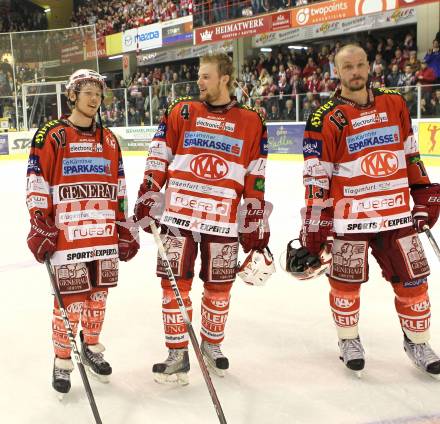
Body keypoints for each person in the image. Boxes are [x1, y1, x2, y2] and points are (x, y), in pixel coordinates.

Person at [290, 45, 440, 377]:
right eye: (348, 67)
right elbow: (317, 177)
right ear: (336, 71)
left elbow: (409, 152)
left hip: (396, 215)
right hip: (349, 219)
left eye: (360, 65)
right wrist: (317, 224)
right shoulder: (324, 117)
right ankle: (349, 340)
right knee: (345, 285)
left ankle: (417, 342)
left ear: (369, 66)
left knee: (414, 282)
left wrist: (424, 190)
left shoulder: (395, 103)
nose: (355, 72)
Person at [134, 52, 271, 385]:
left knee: (219, 288)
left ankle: (211, 344)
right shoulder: (182, 111)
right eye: (199, 76)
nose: (199, 82)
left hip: (223, 219)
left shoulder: (251, 120)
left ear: (225, 78)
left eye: (206, 76)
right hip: (178, 217)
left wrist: (253, 218)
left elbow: (256, 174)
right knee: (174, 288)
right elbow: (158, 155)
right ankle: (178, 354)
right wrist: (149, 193)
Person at [26, 69, 139, 396]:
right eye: (87, 92)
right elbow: (37, 181)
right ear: (72, 95)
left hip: (102, 234)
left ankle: (91, 348)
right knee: (70, 304)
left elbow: (119, 187)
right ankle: (62, 361)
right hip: (68, 236)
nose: (94, 99)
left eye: (98, 93)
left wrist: (124, 226)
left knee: (98, 300)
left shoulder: (109, 139)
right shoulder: (52, 134)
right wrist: (39, 221)